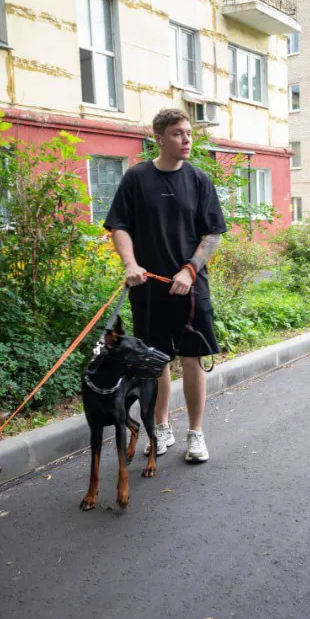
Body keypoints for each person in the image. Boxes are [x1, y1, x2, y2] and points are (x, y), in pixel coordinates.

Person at [103, 108, 227, 464]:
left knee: (192, 359)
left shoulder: (199, 179)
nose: (186, 140)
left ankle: (195, 433)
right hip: (149, 289)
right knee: (155, 364)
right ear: (159, 137)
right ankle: (160, 428)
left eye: (188, 133)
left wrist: (190, 269)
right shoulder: (136, 178)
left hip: (191, 289)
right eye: (177, 133)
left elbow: (213, 233)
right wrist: (130, 263)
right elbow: (120, 225)